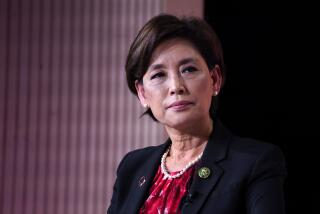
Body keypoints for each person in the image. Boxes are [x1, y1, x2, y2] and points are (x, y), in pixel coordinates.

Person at [107, 14, 287, 214]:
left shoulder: (255, 162)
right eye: (159, 75)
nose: (176, 87)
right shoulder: (132, 168)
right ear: (142, 93)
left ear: (215, 79)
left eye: (188, 70)